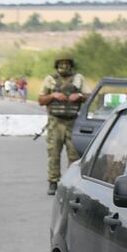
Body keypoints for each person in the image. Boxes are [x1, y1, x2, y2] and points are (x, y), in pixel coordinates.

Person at [38, 55, 86, 194]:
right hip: (55, 122)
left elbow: (89, 95)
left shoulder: (79, 79)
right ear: (57, 65)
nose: (64, 66)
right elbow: (41, 100)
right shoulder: (50, 80)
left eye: (67, 64)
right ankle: (53, 182)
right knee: (54, 153)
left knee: (74, 155)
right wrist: (53, 96)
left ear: (71, 65)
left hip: (73, 120)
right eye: (61, 64)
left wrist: (79, 96)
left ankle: (71, 183)